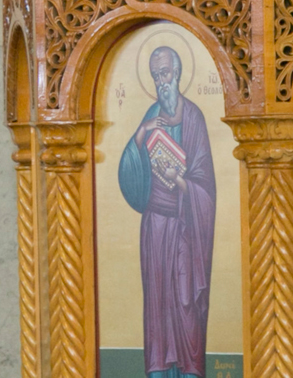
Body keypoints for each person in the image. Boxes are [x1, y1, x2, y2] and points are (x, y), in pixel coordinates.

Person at [118, 46, 217, 378]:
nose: (162, 81)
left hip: (186, 227)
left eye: (166, 73)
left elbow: (206, 184)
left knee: (186, 302)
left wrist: (182, 183)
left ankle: (189, 371)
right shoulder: (150, 115)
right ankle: (160, 372)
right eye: (156, 75)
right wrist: (140, 134)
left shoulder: (193, 118)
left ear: (178, 74)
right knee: (159, 304)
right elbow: (131, 176)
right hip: (155, 227)